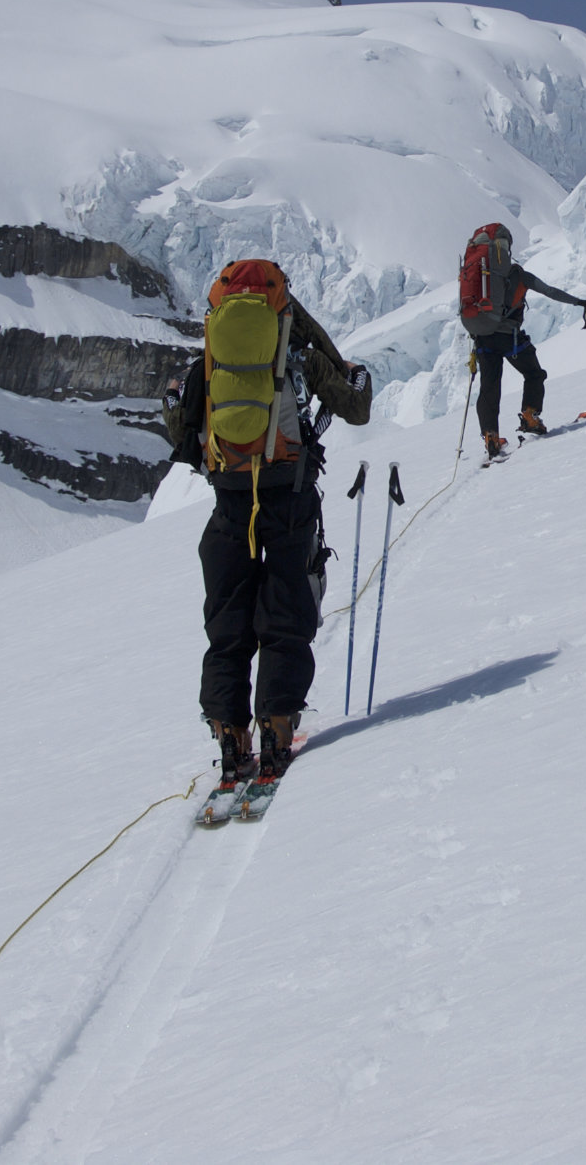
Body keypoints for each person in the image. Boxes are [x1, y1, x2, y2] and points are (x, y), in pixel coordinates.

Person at [164, 259, 372, 792]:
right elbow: (356, 408)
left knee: (227, 622)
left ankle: (230, 735)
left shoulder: (210, 363)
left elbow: (179, 429)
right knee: (284, 614)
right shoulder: (297, 358)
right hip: (288, 497)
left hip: (229, 504)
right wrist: (357, 378)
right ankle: (277, 727)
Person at [456, 222, 586, 461]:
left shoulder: (478, 275)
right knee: (534, 374)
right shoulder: (517, 274)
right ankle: (530, 415)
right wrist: (581, 302)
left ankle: (490, 436)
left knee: (490, 388)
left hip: (483, 338)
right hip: (510, 339)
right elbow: (550, 291)